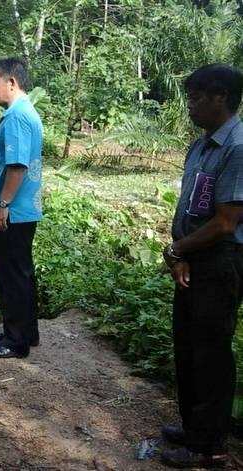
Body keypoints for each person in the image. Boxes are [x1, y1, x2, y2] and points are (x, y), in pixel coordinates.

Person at [160, 63, 243, 469]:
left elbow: (226, 222)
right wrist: (180, 254)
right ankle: (194, 426)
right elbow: (191, 206)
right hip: (194, 256)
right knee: (188, 346)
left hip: (221, 259)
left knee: (210, 351)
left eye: (196, 98)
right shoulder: (202, 144)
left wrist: (177, 250)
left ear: (220, 97)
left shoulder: (238, 147)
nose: (190, 105)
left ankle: (210, 445)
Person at [0, 57, 43, 359]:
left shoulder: (16, 116)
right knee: (21, 272)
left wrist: (2, 205)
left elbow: (17, 166)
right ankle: (25, 330)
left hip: (11, 212)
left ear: (11, 83)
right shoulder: (26, 112)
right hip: (22, 209)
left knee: (11, 274)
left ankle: (15, 342)